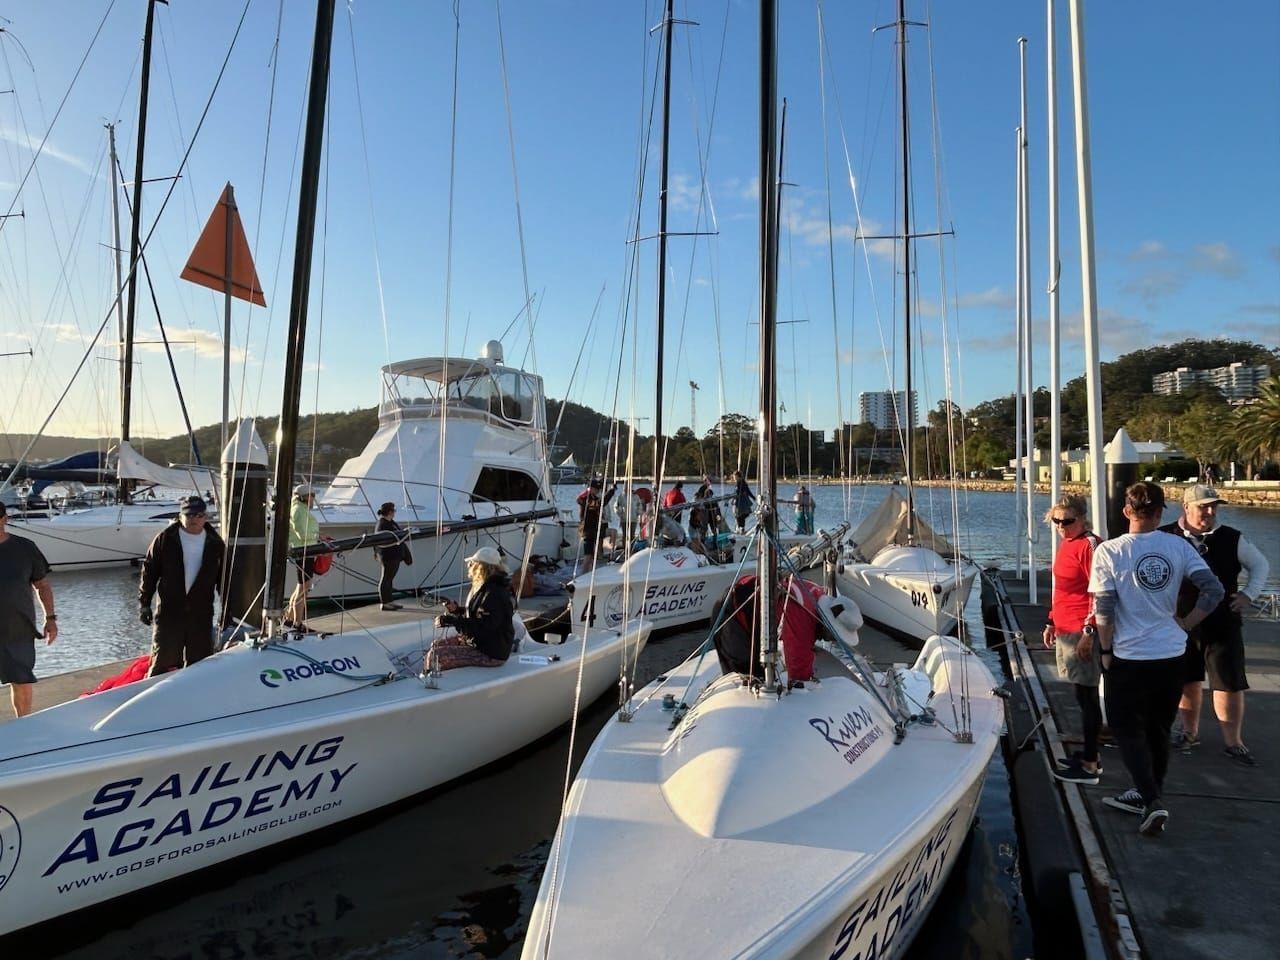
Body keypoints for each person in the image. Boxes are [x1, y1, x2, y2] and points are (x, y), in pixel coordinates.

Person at [1090, 481, 1224, 837]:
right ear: (1162, 511)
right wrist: (1185, 624)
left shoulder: (1110, 551)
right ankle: (1150, 796)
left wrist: (1105, 651)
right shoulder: (1178, 546)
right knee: (1159, 729)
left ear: (1126, 512)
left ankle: (1151, 800)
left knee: (1125, 728)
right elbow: (1214, 589)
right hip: (1170, 652)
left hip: (1129, 655)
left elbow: (1104, 608)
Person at [1160, 484, 1269, 765]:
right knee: (1187, 680)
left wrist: (1248, 594)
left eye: (1213, 506)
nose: (1209, 512)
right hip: (1180, 623)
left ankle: (1234, 742)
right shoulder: (1165, 536)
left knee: (1229, 683)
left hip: (1222, 622)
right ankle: (1188, 732)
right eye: (1203, 507)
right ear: (1186, 507)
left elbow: (1260, 565)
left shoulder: (1232, 538)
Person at [1041, 494, 1104, 784]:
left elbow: (1099, 591)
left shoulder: (1090, 545)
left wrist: (1089, 632)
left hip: (1082, 629)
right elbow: (1063, 588)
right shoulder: (1067, 544)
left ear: (1082, 518)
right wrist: (1052, 620)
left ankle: (1091, 764)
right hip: (1066, 627)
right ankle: (1089, 754)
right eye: (1056, 521)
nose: (1061, 526)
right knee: (1080, 694)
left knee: (1088, 697)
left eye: (1068, 521)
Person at [138, 495, 226, 677]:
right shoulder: (166, 539)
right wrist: (144, 603)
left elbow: (223, 580)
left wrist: (228, 610)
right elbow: (149, 571)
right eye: (189, 515)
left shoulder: (215, 543)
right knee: (163, 659)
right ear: (180, 516)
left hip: (201, 612)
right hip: (170, 611)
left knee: (201, 662)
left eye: (199, 515)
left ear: (206, 517)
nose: (194, 519)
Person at [0, 501, 57, 717]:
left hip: (18, 628)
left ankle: (23, 727)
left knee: (21, 681)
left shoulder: (25, 548)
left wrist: (50, 618)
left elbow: (42, 585)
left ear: (5, 519)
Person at [430, 546, 515, 670]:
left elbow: (485, 626)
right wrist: (457, 611)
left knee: (436, 655)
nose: (469, 566)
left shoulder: (494, 593)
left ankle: (431, 683)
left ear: (481, 567)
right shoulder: (488, 587)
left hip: (491, 653)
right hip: (482, 644)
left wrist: (452, 621)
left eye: (472, 563)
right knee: (436, 645)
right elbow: (480, 615)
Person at [285, 483, 325, 629]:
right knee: (304, 587)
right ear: (304, 497)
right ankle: (298, 623)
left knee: (300, 586)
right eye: (312, 495)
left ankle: (289, 618)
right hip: (304, 552)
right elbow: (302, 534)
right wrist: (316, 540)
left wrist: (317, 539)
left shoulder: (300, 509)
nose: (313, 499)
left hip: (305, 551)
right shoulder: (298, 511)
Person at [374, 502, 410, 611]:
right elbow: (384, 538)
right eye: (394, 511)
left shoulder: (390, 522)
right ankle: (385, 603)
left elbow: (397, 534)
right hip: (388, 556)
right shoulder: (382, 524)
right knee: (386, 578)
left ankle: (390, 601)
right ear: (390, 512)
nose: (395, 513)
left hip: (394, 555)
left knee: (390, 579)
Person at [576, 477, 617, 568]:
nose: (598, 491)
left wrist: (611, 491)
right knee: (588, 557)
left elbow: (603, 502)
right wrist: (587, 491)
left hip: (594, 529)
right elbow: (579, 500)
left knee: (590, 557)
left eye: (598, 489)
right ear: (591, 489)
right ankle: (583, 574)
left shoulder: (595, 499)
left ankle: (588, 574)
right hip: (587, 530)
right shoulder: (585, 498)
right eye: (596, 489)